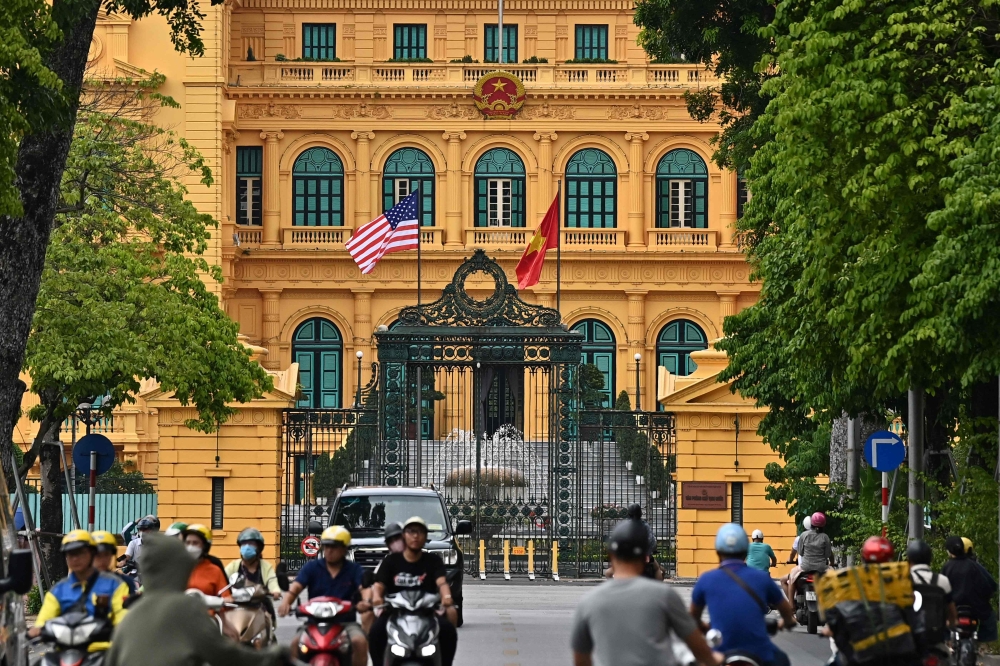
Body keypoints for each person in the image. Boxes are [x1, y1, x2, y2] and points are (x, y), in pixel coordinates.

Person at [104, 533, 291, 666]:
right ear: (180, 567)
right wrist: (273, 656)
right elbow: (223, 654)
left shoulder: (132, 616)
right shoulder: (184, 607)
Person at [571, 519, 719, 666]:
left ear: (611, 555)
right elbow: (696, 645)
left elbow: (580, 659)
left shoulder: (588, 602)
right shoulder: (664, 595)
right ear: (645, 557)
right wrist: (714, 660)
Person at [691, 523, 796, 666]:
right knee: (783, 660)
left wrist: (704, 627)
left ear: (718, 552)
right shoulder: (762, 578)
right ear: (745, 551)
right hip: (760, 653)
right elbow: (786, 610)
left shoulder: (706, 579)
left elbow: (692, 618)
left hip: (720, 652)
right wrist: (787, 622)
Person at [369, 517, 458, 666]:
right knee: (376, 632)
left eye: (420, 532)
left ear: (425, 536)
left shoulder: (433, 561)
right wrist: (377, 598)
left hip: (427, 613)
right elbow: (379, 586)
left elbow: (441, 583)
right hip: (395, 613)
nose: (415, 536)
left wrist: (447, 597)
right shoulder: (391, 561)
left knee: (448, 630)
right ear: (404, 535)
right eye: (411, 531)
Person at [277, 526, 369, 666]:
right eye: (326, 546)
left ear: (345, 549)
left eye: (334, 547)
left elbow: (364, 589)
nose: (329, 551)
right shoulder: (312, 567)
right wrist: (286, 602)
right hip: (314, 622)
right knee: (296, 642)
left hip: (345, 623)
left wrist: (366, 602)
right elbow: (296, 587)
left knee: (359, 642)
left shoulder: (354, 569)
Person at [29, 530, 130, 649]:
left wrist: (115, 630)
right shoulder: (59, 590)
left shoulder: (115, 585)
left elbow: (123, 618)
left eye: (80, 553)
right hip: (65, 652)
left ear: (92, 553)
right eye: (70, 554)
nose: (75, 559)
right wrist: (34, 632)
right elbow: (43, 622)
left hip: (103, 652)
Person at [942, 535, 999, 643]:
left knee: (940, 618)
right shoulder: (975, 566)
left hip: (953, 607)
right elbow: (990, 586)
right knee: (990, 617)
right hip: (975, 607)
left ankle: (946, 641)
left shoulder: (947, 567)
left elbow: (941, 588)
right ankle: (983, 643)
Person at [907, 539, 956, 654]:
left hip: (909, 642)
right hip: (936, 641)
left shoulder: (902, 581)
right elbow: (952, 614)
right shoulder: (942, 581)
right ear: (930, 560)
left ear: (909, 560)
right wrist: (950, 624)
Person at [359, 522, 404, 634]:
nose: (396, 543)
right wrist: (375, 599)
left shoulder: (425, 559)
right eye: (391, 540)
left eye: (398, 538)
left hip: (421, 609)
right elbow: (376, 586)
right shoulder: (387, 563)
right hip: (393, 609)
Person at [788, 512, 834, 601]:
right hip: (821, 568)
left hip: (805, 567)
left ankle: (791, 605)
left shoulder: (803, 535)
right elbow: (827, 554)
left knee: (791, 578)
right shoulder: (825, 537)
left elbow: (800, 552)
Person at [92, 530, 137, 595]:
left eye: (106, 554)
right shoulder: (78, 581)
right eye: (98, 555)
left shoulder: (126, 583)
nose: (103, 559)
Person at [782, 516, 810, 600]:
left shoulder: (800, 538)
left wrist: (790, 560)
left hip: (803, 568)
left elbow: (793, 553)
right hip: (819, 568)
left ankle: (791, 605)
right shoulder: (821, 536)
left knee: (789, 579)